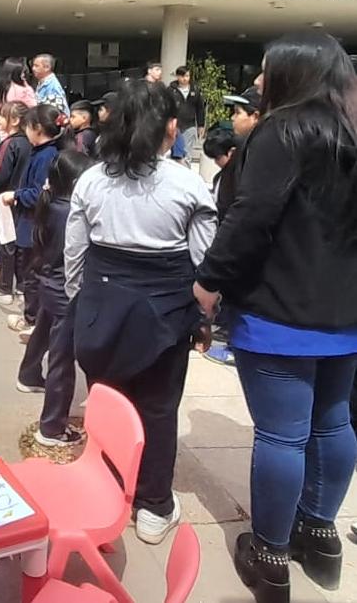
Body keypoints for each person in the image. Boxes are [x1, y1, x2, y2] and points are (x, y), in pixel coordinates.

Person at [192, 33, 357, 601]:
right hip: (346, 313)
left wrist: (209, 281)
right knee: (334, 423)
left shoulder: (281, 131)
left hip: (280, 311)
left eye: (265, 71)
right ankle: (321, 534)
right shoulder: (350, 132)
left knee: (283, 436)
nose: (258, 82)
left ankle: (270, 555)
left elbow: (249, 217)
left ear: (292, 72)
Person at [65, 79, 217, 545]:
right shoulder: (188, 186)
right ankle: (154, 505)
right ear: (170, 129)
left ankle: (109, 486)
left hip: (102, 308)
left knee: (108, 401)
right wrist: (204, 319)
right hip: (164, 317)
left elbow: (74, 255)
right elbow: (203, 261)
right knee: (157, 408)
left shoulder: (90, 180)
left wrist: (81, 302)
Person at [30, 149, 94, 447]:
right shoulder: (72, 212)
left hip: (48, 281)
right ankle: (52, 426)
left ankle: (28, 373)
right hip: (64, 290)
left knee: (43, 333)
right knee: (62, 361)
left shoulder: (52, 204)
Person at [4, 104, 64, 340]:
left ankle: (34, 321)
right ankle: (34, 317)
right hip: (33, 223)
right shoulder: (46, 152)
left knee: (32, 273)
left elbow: (39, 194)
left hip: (34, 224)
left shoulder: (46, 156)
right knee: (33, 272)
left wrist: (16, 196)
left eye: (28, 126)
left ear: (37, 128)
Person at [0, 101, 31, 304]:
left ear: (15, 120)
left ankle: (4, 289)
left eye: (3, 116)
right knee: (19, 244)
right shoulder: (29, 143)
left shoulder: (9, 143)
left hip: (5, 198)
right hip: (23, 198)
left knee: (5, 243)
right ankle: (21, 286)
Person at [216, 87, 262, 221]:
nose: (232, 118)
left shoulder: (255, 152)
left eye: (237, 113)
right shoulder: (243, 147)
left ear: (255, 116)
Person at [169, 65, 205, 158]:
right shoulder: (171, 90)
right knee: (174, 153)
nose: (185, 79)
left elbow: (200, 108)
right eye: (183, 76)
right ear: (178, 76)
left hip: (190, 125)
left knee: (187, 153)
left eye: (187, 76)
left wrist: (201, 125)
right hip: (175, 125)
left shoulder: (195, 90)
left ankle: (186, 169)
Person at [202, 126, 238, 203]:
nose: (216, 162)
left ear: (231, 152)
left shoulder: (237, 175)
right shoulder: (219, 176)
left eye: (218, 158)